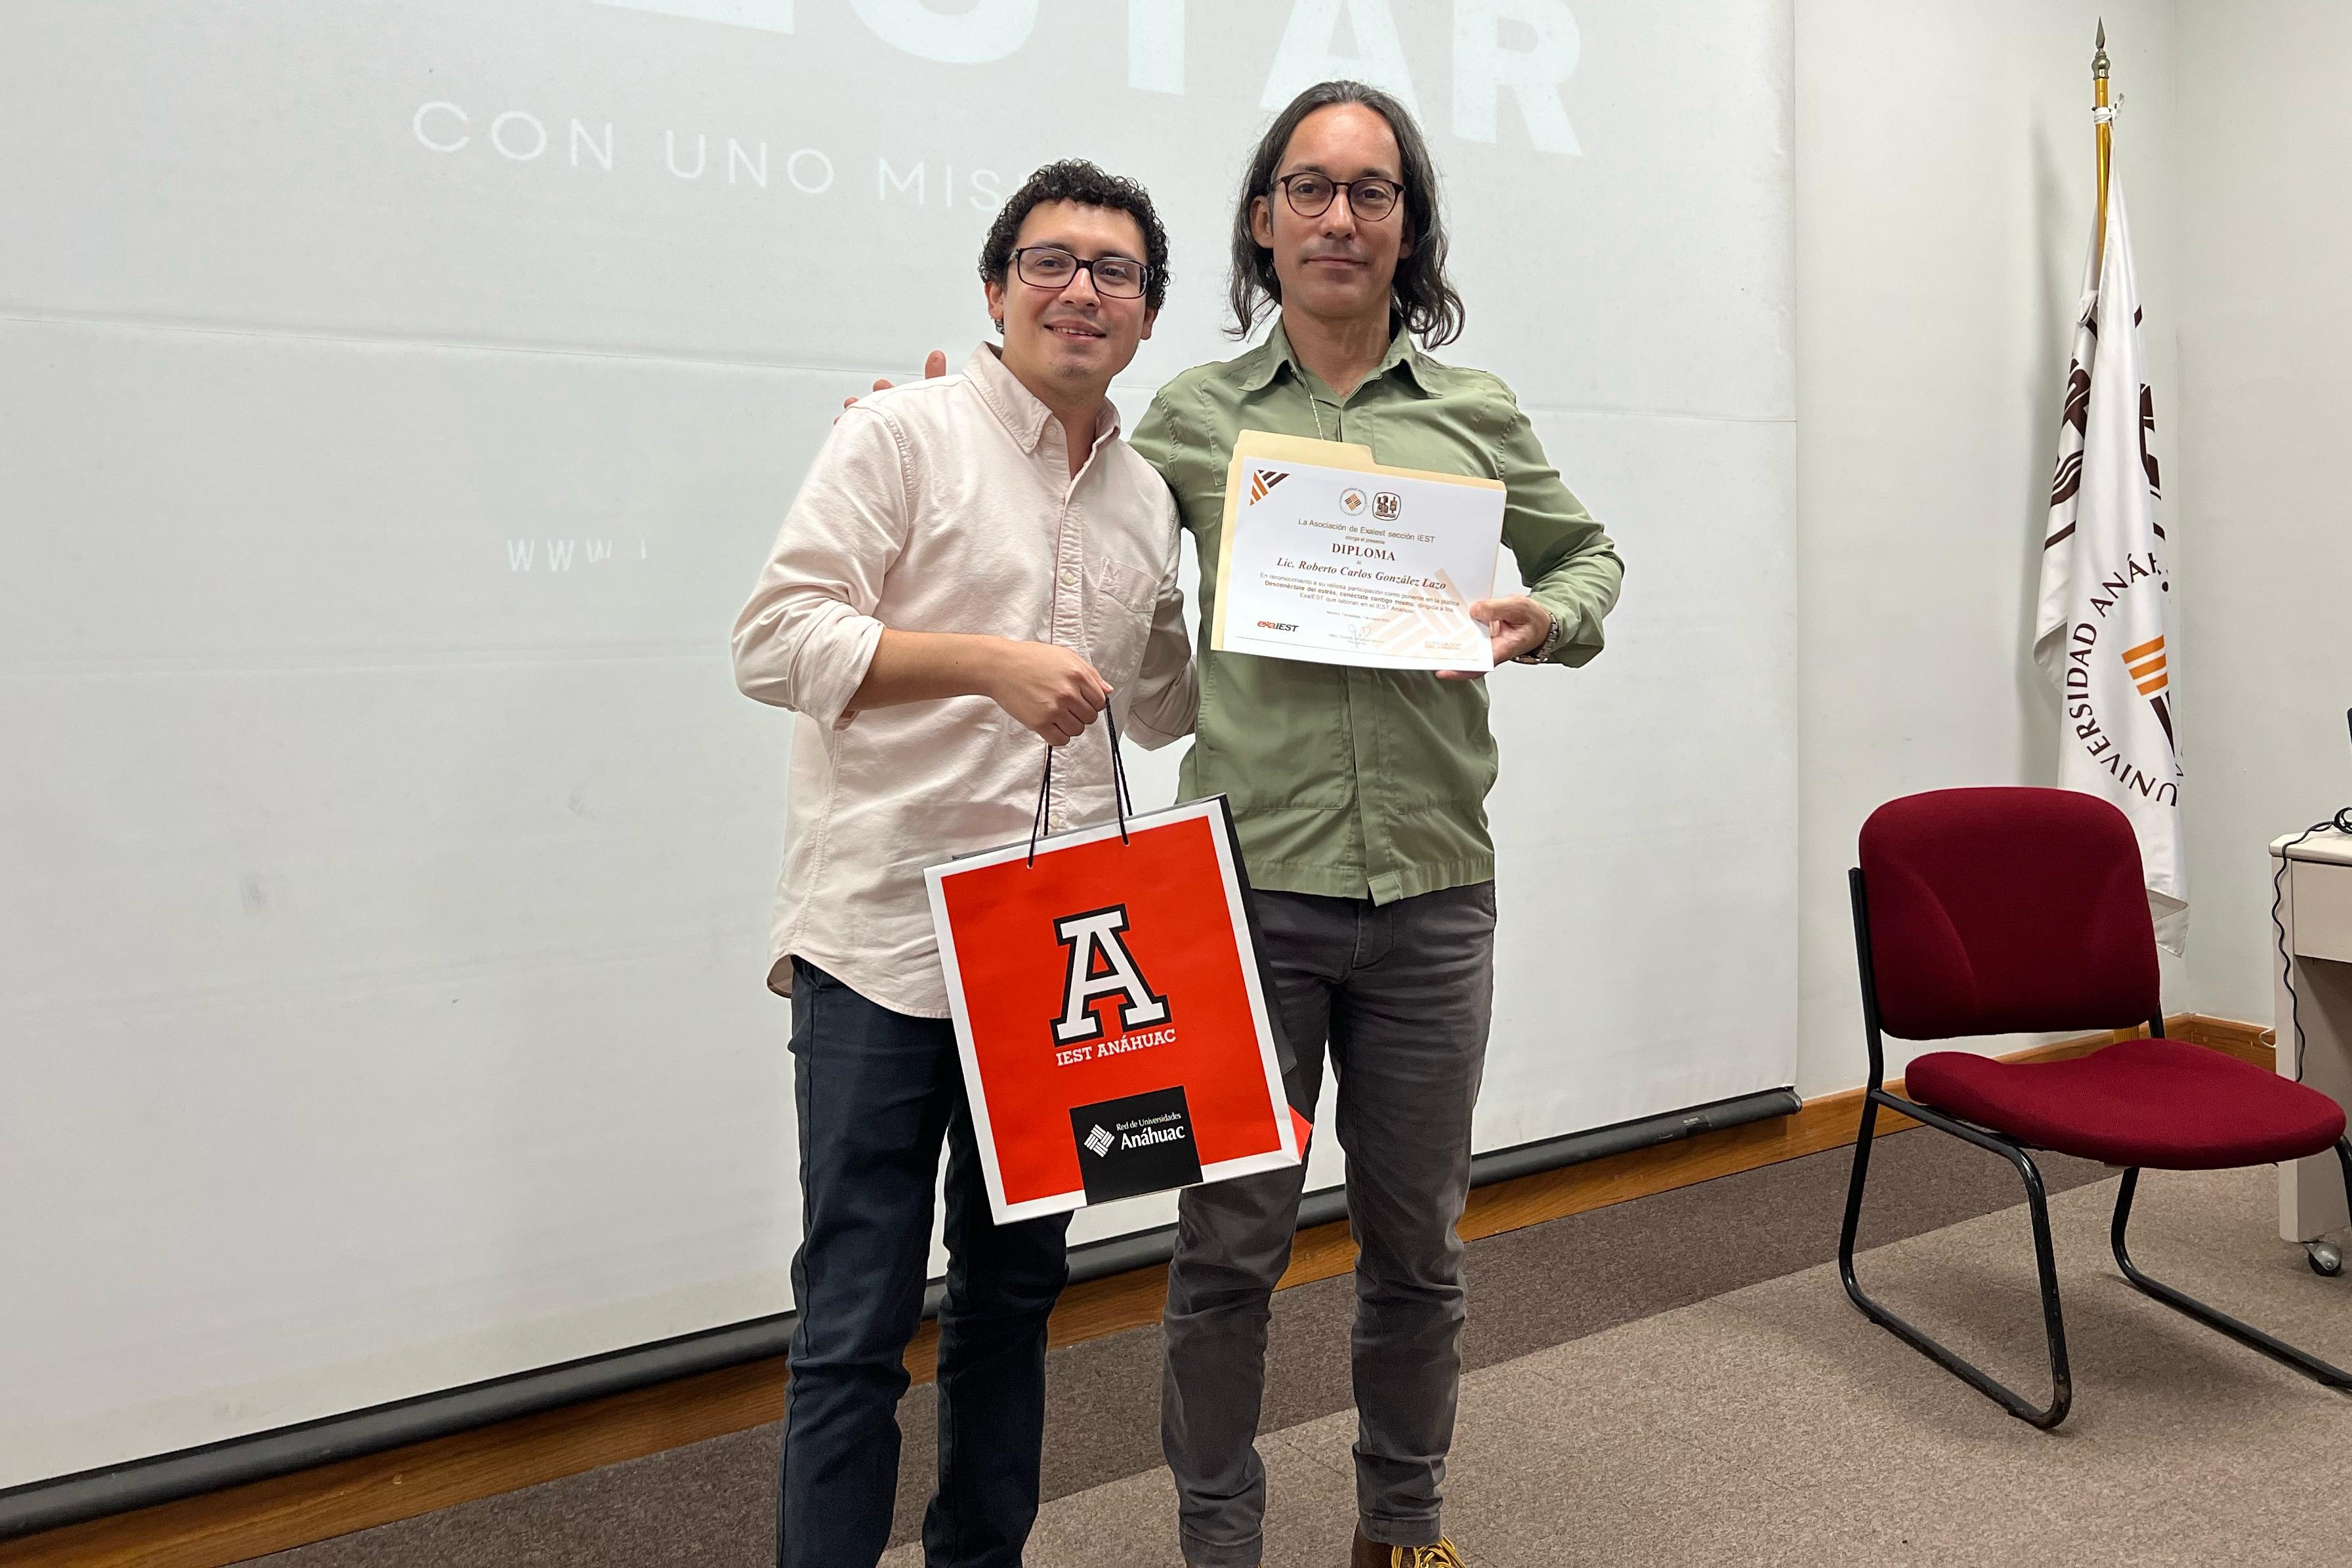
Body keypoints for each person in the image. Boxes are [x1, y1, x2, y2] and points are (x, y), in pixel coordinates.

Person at [852, 81, 1623, 1568]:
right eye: (1309, 188)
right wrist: (921, 418)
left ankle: (1401, 1525)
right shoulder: (1196, 420)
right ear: (1263, 223)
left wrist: (1549, 617)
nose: (1340, 217)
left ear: (1410, 230)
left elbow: (1587, 555)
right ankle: (1220, 1541)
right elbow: (1049, 487)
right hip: (1242, 899)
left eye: (1373, 192)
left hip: (1431, 898)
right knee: (1227, 1251)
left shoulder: (1475, 416)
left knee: (1419, 1248)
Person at [734, 159, 1196, 1568]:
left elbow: (1165, 710)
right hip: (880, 944)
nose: (1082, 290)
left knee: (1012, 1300)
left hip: (1050, 964)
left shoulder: (1145, 498)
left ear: (1147, 314)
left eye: (1114, 272)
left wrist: (1226, 594)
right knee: (854, 1318)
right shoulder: (901, 435)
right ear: (995, 291)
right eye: (1050, 262)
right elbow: (773, 642)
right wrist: (980, 665)